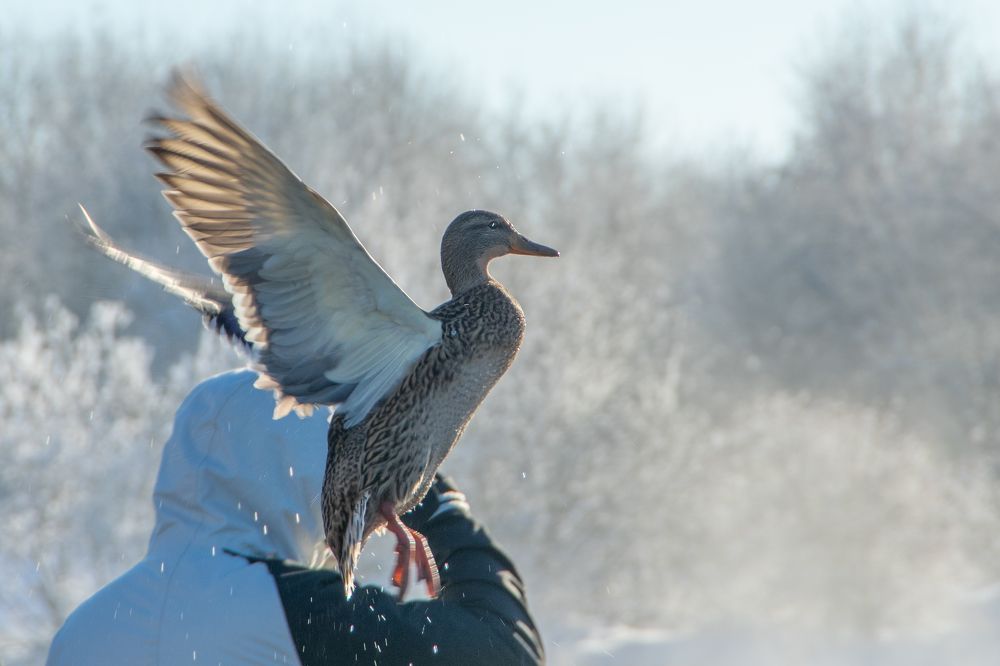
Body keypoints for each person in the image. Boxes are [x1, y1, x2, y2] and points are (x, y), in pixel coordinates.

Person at [47, 369, 544, 665]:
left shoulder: (82, 630)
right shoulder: (297, 610)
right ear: (306, 472)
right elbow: (506, 650)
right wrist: (425, 486)